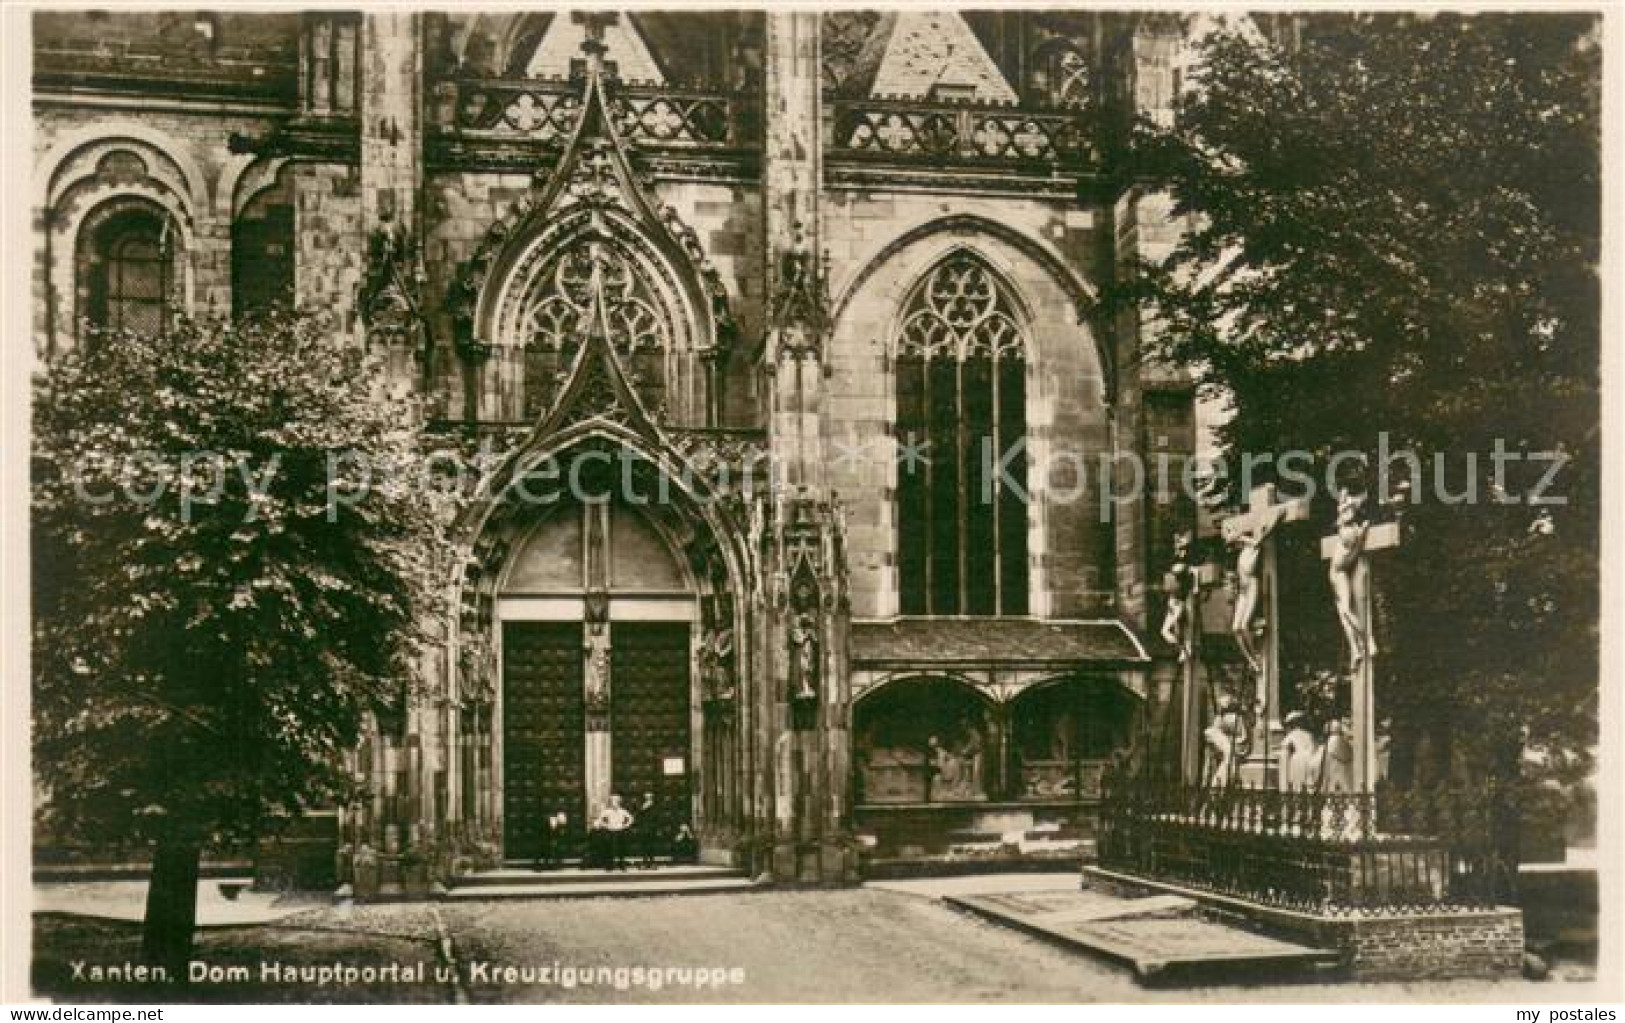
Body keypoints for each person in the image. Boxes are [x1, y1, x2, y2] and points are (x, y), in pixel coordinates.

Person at [593, 793, 634, 871]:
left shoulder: (623, 811)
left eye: (616, 801)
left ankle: (622, 865)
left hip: (620, 831)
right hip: (611, 831)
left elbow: (631, 818)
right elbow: (599, 819)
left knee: (621, 849)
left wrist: (625, 825)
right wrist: (605, 825)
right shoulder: (607, 811)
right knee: (610, 849)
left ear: (619, 802)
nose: (614, 803)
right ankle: (610, 866)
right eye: (612, 801)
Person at [634, 791, 659, 869]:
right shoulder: (640, 805)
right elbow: (638, 814)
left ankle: (652, 863)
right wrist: (643, 808)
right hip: (643, 828)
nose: (648, 796)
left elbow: (657, 817)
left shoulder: (656, 805)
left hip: (652, 828)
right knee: (644, 846)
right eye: (646, 795)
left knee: (651, 846)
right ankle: (644, 862)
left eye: (649, 795)